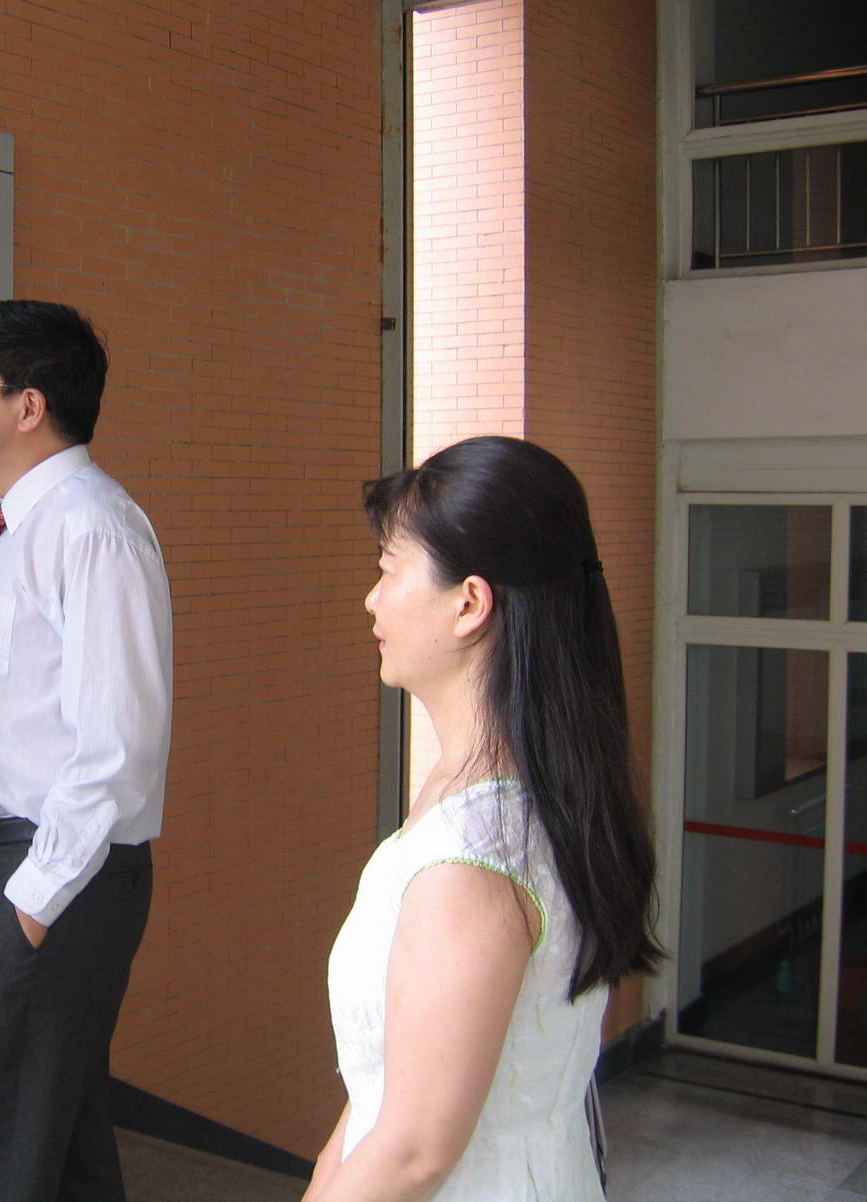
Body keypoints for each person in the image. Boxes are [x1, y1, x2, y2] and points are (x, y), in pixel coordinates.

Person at [306, 436, 662, 1202]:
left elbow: (412, 1152)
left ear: (469, 603)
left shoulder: (472, 860)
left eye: (387, 570)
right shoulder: (519, 796)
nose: (371, 599)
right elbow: (383, 1092)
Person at [0, 300, 173, 1202]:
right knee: (54, 1152)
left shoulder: (91, 527)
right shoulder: (30, 525)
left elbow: (119, 745)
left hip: (51, 881)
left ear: (29, 406)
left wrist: (28, 906)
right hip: (9, 869)